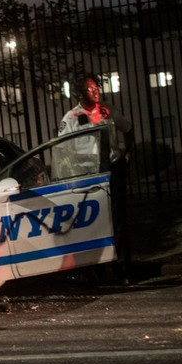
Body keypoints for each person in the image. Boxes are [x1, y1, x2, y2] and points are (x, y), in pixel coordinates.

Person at [58, 75, 135, 282]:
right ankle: (95, 272)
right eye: (90, 89)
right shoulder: (71, 118)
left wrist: (128, 153)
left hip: (113, 169)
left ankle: (123, 270)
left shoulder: (107, 110)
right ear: (79, 94)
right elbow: (64, 150)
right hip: (89, 176)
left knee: (118, 221)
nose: (96, 91)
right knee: (93, 224)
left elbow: (127, 129)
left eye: (96, 87)